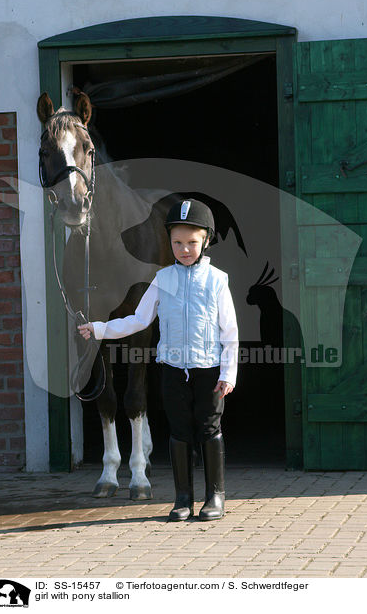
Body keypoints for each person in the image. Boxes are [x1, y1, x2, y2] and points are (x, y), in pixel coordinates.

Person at [78, 199, 238, 521]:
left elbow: (230, 332)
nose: (184, 249)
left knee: (209, 428)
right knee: (178, 430)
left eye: (192, 242)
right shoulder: (162, 279)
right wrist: (99, 329)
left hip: (208, 369)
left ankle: (215, 496)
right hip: (173, 369)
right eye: (177, 243)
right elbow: (137, 320)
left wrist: (229, 373)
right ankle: (182, 498)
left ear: (205, 240)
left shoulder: (218, 281)